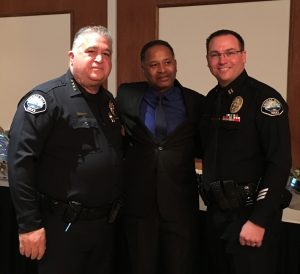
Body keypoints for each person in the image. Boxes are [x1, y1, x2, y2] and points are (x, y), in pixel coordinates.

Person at [8, 25, 123, 274]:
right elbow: (20, 163)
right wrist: (29, 225)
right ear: (72, 57)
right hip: (61, 227)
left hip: (103, 227)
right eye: (91, 51)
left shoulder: (107, 101)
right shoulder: (46, 100)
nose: (99, 59)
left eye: (106, 53)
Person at [200, 29, 292, 274]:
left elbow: (279, 162)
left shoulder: (265, 100)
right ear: (207, 60)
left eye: (230, 52)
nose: (222, 60)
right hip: (217, 215)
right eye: (215, 54)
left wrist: (258, 220)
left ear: (244, 56)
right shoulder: (210, 100)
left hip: (250, 216)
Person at [116, 40, 205, 274]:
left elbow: (204, 146)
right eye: (154, 64)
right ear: (143, 68)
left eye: (167, 62)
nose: (162, 69)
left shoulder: (197, 102)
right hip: (138, 208)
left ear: (175, 64)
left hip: (180, 208)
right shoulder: (126, 95)